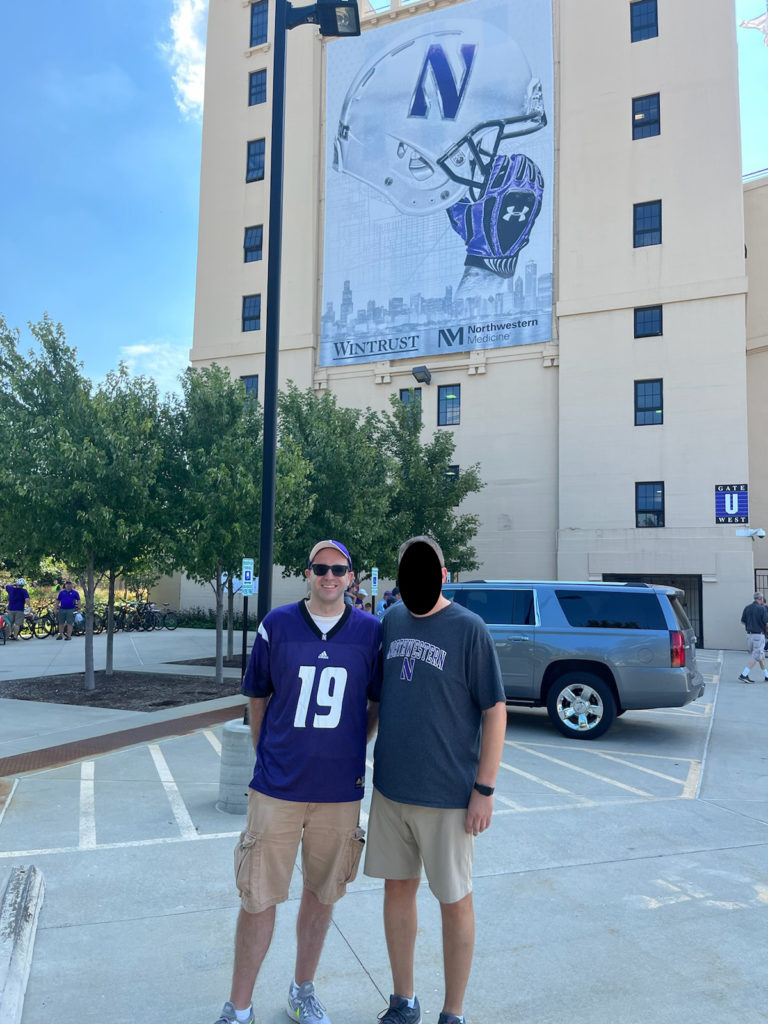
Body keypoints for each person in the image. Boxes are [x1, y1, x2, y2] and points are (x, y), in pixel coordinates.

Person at [212, 540, 382, 1024]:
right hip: (278, 788)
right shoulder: (277, 625)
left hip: (338, 790)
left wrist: (353, 745)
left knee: (323, 894)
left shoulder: (371, 632)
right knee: (259, 896)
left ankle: (301, 990)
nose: (329, 576)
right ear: (307, 573)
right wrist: (269, 754)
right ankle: (238, 1005)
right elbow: (258, 696)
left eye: (339, 569)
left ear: (352, 577)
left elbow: (375, 702)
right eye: (321, 568)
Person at [364, 536, 507, 1024]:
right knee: (397, 893)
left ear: (443, 574)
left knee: (453, 901)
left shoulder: (469, 630)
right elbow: (379, 703)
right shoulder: (392, 621)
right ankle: (404, 1001)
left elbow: (495, 711)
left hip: (448, 797)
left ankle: (454, 1011)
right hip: (391, 792)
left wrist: (483, 789)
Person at [738, 590, 768, 682]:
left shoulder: (747, 608)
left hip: (749, 636)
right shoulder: (762, 609)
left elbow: (742, 621)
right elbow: (766, 623)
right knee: (756, 656)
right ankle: (744, 675)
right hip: (759, 636)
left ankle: (766, 675)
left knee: (759, 656)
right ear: (761, 598)